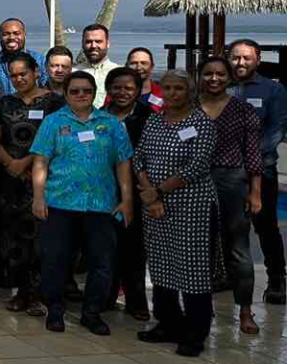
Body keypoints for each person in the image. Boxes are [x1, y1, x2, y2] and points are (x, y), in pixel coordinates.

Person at [30, 70, 133, 336]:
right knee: (55, 260)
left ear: (94, 93)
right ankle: (55, 310)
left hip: (101, 205)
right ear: (65, 94)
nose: (81, 95)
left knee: (102, 262)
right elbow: (40, 162)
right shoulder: (53, 122)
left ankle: (92, 313)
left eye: (86, 91)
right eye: (74, 91)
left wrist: (127, 200)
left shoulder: (111, 123)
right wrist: (38, 197)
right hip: (59, 203)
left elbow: (123, 163)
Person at [134, 70, 219, 357]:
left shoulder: (201, 123)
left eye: (178, 88)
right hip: (154, 206)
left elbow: (197, 166)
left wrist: (158, 192)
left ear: (189, 92)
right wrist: (149, 192)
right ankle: (168, 324)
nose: (172, 93)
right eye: (167, 88)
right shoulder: (154, 120)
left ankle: (195, 333)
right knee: (161, 266)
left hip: (191, 207)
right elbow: (139, 158)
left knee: (192, 270)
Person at [0, 51, 63, 315]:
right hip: (10, 179)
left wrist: (26, 163)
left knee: (39, 239)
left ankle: (37, 295)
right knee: (12, 238)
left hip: (41, 180)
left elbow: (57, 139)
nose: (18, 79)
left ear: (36, 72)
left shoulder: (54, 103)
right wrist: (9, 163)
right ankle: (20, 292)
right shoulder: (5, 103)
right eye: (13, 75)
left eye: (23, 73)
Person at [197, 56, 263, 335]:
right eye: (208, 73)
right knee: (199, 249)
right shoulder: (189, 108)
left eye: (220, 74)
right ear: (200, 76)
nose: (214, 78)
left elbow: (253, 153)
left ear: (229, 77)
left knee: (238, 250)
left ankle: (245, 310)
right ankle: (201, 308)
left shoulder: (243, 110)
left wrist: (255, 192)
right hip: (194, 183)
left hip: (232, 181)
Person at [227, 38, 287, 304]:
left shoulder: (273, 90)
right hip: (225, 174)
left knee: (266, 228)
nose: (240, 62)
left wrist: (246, 159)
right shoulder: (220, 86)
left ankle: (277, 280)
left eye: (246, 58)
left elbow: (276, 131)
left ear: (258, 59)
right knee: (225, 227)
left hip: (263, 173)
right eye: (235, 57)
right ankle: (223, 275)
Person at [101, 67, 150, 321]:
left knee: (134, 248)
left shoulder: (149, 118)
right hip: (103, 190)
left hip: (138, 191)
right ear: (108, 89)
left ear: (138, 91)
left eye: (128, 88)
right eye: (117, 87)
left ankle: (136, 301)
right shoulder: (98, 117)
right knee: (104, 247)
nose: (122, 92)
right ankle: (105, 296)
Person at [0, 19, 46, 90]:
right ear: (0, 37)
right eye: (6, 34)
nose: (11, 37)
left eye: (16, 33)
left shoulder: (40, 61)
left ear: (24, 35)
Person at [74, 24, 120, 103]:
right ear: (82, 44)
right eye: (88, 42)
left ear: (108, 44)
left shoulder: (119, 73)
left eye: (98, 41)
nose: (93, 46)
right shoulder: (73, 73)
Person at [125, 48, 163, 112]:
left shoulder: (164, 93)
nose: (139, 67)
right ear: (126, 66)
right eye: (134, 63)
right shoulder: (116, 92)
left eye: (144, 63)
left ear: (152, 66)